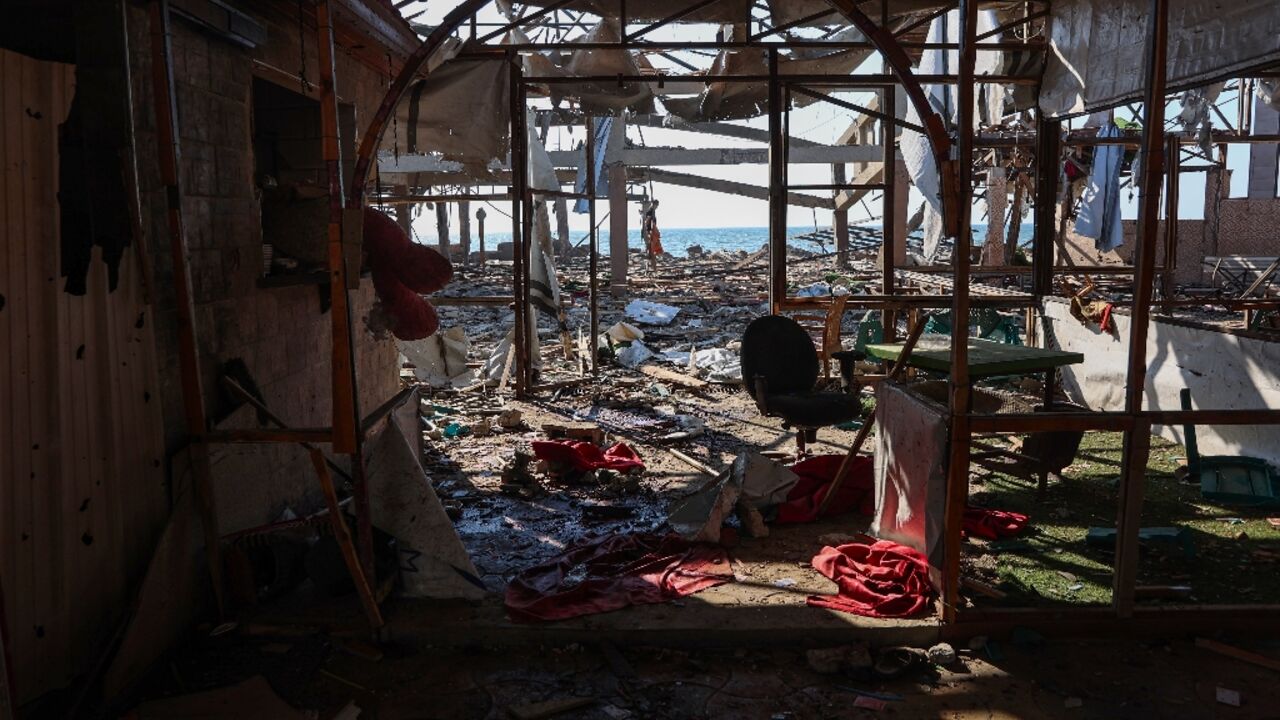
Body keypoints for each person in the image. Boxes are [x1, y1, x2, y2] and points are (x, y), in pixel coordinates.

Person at [640, 199, 663, 272]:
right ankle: (654, 268)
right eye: (656, 205)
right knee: (652, 251)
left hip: (653, 233)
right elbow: (647, 221)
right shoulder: (650, 211)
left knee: (655, 250)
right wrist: (649, 232)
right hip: (651, 233)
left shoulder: (653, 211)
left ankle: (653, 267)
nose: (657, 207)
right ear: (654, 204)